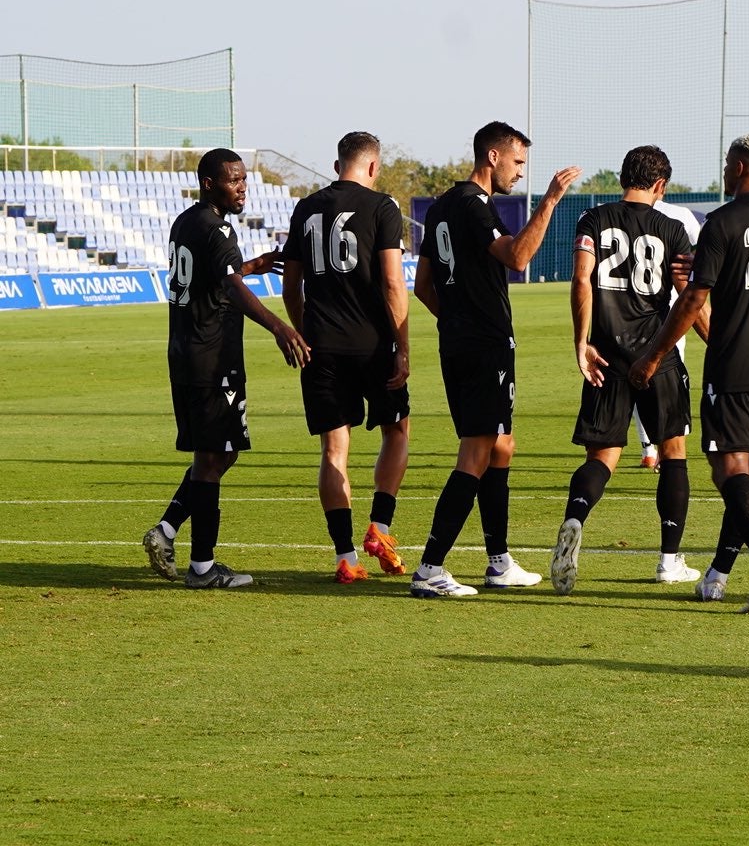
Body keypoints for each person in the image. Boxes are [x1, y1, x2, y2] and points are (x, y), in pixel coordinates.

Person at [629, 133, 749, 614]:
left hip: (734, 360)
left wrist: (652, 355)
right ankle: (718, 576)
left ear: (744, 167)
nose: (724, 170)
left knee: (727, 469)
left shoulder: (722, 221)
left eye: (728, 163)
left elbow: (693, 300)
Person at [411, 121, 581, 598]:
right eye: (519, 161)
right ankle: (430, 568)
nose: (522, 172)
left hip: (460, 341)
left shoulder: (443, 205)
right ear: (493, 156)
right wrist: (549, 202)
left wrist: (459, 320)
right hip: (483, 344)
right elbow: (518, 256)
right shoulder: (473, 204)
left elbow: (423, 285)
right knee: (477, 450)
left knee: (501, 445)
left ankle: (499, 561)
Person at [142, 149, 310, 588]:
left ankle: (167, 530)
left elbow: (215, 278)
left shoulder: (187, 221)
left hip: (186, 352)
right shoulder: (216, 229)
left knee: (220, 451)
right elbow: (230, 288)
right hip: (210, 356)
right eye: (233, 180)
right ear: (209, 183)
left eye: (243, 179)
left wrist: (247, 267)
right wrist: (278, 326)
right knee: (214, 456)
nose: (242, 187)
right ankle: (202, 568)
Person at [549, 146, 707, 596]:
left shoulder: (593, 220)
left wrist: (582, 342)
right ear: (660, 186)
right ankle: (670, 560)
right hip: (657, 355)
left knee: (601, 457)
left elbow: (582, 280)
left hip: (605, 355)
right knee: (673, 451)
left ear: (622, 177)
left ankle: (575, 519)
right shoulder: (672, 229)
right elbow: (688, 297)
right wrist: (718, 340)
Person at [281, 132, 411, 583]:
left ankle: (346, 558)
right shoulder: (383, 207)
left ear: (338, 165)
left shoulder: (306, 208)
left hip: (321, 346)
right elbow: (394, 283)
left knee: (334, 450)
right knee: (397, 430)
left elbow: (290, 286)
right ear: (373, 167)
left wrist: (302, 331)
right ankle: (380, 527)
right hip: (372, 344)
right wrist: (403, 346)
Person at [632, 197, 702, 470]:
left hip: (631, 313)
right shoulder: (679, 214)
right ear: (662, 184)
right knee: (670, 382)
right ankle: (667, 449)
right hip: (672, 312)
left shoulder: (622, 213)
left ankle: (648, 449)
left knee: (638, 377)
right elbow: (703, 251)